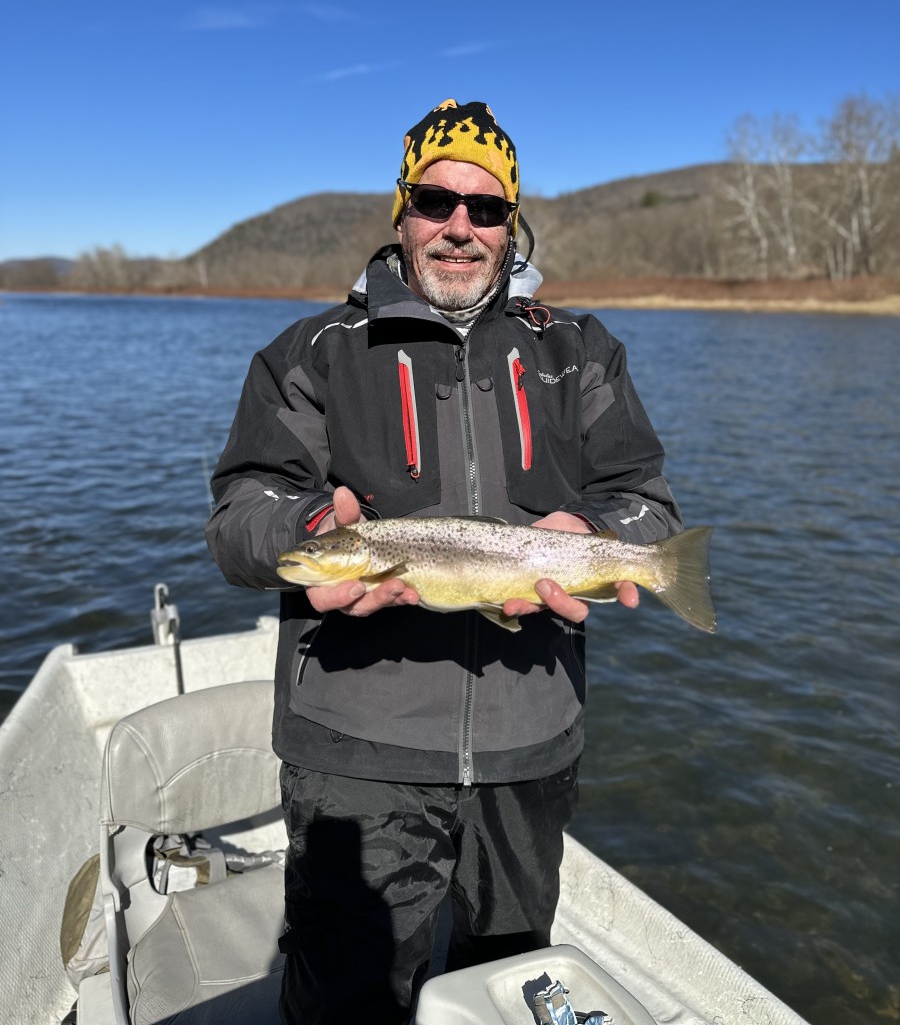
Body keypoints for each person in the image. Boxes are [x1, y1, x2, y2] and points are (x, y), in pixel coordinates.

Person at [206, 99, 683, 1024]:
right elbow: (239, 516)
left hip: (530, 744)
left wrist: (607, 534)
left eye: (487, 208)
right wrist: (307, 525)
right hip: (354, 754)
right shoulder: (311, 355)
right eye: (436, 200)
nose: (460, 228)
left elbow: (647, 500)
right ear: (401, 214)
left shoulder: (578, 349)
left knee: (501, 987)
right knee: (345, 1001)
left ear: (512, 223)